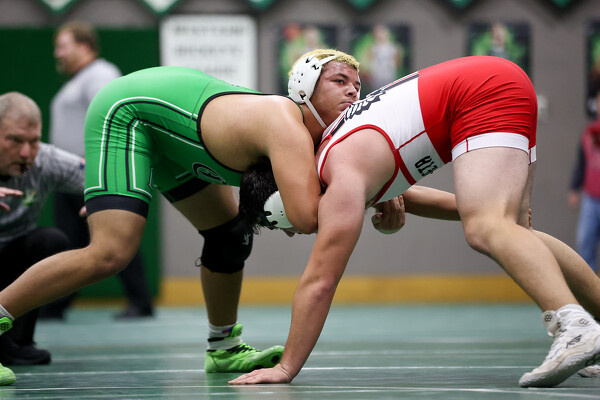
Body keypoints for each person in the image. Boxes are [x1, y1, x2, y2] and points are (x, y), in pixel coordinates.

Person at [0, 52, 381, 384]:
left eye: (358, 84)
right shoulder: (286, 126)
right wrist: (369, 196)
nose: (353, 91)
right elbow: (309, 217)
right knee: (111, 252)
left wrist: (387, 193)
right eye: (339, 81)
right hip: (129, 111)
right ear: (305, 89)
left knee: (230, 235)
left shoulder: (321, 144)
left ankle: (224, 347)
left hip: (171, 132)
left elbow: (352, 187)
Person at [230, 53, 600, 387]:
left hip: (483, 93)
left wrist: (286, 367)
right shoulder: (343, 150)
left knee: (486, 227)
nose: (307, 226)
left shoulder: (337, 167)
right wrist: (490, 206)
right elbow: (414, 197)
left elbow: (320, 281)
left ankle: (574, 325)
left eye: (297, 222)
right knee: (512, 231)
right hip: (499, 83)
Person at [42, 20, 154, 320]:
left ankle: (140, 301)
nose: (58, 53)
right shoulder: (78, 81)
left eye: (63, 46)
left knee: (116, 235)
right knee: (73, 241)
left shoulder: (100, 74)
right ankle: (56, 304)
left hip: (91, 173)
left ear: (85, 46)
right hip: (71, 177)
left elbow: (112, 118)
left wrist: (100, 169)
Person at [0, 92, 88, 381]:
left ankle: (16, 344)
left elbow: (103, 176)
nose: (26, 152)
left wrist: (106, 197)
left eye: (34, 141)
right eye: (15, 140)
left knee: (50, 241)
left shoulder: (46, 160)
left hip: (10, 260)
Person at [568, 91, 600, 274]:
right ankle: (590, 288)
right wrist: (574, 188)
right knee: (585, 243)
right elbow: (581, 163)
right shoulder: (589, 132)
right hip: (591, 199)